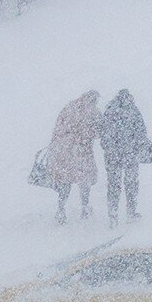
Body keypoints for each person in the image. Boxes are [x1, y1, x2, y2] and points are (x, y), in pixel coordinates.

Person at [48, 91, 102, 224]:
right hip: (82, 152)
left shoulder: (69, 107)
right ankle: (84, 209)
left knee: (66, 181)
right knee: (84, 180)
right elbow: (95, 132)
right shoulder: (93, 112)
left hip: (65, 152)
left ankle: (61, 210)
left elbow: (58, 129)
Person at [99, 89, 150, 227]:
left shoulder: (109, 111)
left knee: (113, 185)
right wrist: (139, 148)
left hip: (112, 157)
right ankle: (131, 213)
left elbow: (103, 134)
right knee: (131, 184)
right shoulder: (133, 111)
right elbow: (141, 134)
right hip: (130, 156)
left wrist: (110, 149)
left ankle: (113, 215)